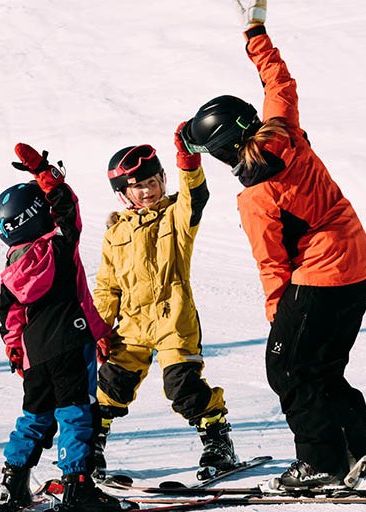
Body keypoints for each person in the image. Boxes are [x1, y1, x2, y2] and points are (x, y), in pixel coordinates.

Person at [180, 1, 366, 491]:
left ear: (225, 151)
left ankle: (319, 464)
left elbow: (272, 264)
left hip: (323, 276)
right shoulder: (284, 129)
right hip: (361, 266)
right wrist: (255, 32)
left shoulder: (257, 198)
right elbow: (279, 83)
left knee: (287, 366)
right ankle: (356, 456)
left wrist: (279, 318)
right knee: (326, 369)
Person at [0, 143, 135, 511]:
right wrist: (47, 176)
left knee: (35, 416)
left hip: (35, 357)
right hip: (70, 344)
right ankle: (79, 487)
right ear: (39, 214)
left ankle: (13, 484)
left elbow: (9, 318)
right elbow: (69, 210)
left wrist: (16, 351)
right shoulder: (59, 246)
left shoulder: (11, 269)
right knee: (75, 412)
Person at [91, 136, 240, 481]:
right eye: (139, 186)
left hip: (174, 320)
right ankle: (91, 447)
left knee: (182, 387)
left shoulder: (176, 216)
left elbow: (195, 199)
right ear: (123, 194)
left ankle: (218, 442)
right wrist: (99, 328)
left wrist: (188, 165)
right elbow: (107, 287)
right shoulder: (115, 234)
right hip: (131, 327)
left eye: (153, 182)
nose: (147, 191)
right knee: (109, 388)